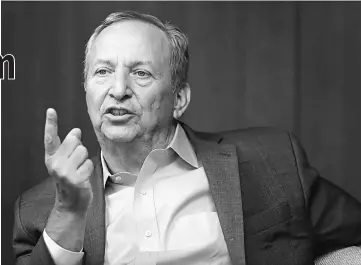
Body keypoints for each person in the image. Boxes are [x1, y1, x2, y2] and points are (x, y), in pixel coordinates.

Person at [12, 11, 361, 265]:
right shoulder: (40, 209)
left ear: (179, 98)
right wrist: (69, 212)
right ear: (87, 91)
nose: (118, 90)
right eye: (103, 72)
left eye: (141, 73)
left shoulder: (271, 160)